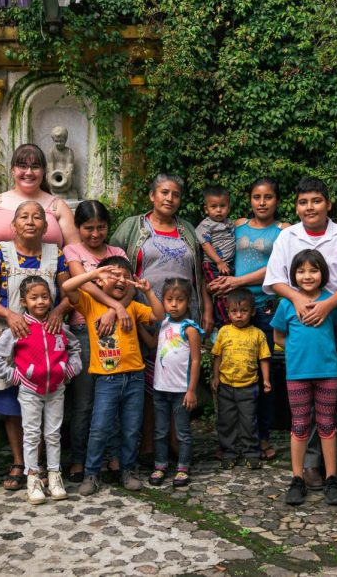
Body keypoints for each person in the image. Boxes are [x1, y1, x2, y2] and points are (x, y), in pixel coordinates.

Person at [263, 177, 337, 491]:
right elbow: (275, 278)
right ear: (297, 206)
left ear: (328, 203)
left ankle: (329, 466)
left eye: (316, 201)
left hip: (332, 320)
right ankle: (308, 467)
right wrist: (297, 299)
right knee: (301, 407)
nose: (310, 208)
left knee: (328, 401)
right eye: (303, 202)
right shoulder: (287, 236)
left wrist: (327, 305)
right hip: (299, 321)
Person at [111, 174, 212, 460]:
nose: (170, 198)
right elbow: (114, 264)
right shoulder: (133, 227)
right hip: (142, 314)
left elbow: (200, 273)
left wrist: (204, 307)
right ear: (152, 196)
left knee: (177, 376)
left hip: (181, 319)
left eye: (176, 194)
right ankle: (145, 443)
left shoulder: (188, 230)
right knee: (143, 382)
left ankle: (173, 440)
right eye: (164, 192)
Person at [0, 201, 70, 492]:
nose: (30, 221)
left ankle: (43, 465)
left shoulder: (57, 255)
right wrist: (10, 314)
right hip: (9, 336)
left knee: (44, 399)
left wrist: (58, 311)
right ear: (13, 225)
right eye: (24, 217)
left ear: (45, 226)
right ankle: (21, 462)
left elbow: (70, 295)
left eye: (37, 217)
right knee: (11, 403)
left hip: (45, 341)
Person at [62, 258, 164, 496]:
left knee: (130, 428)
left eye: (124, 276)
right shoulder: (89, 304)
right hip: (107, 380)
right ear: (99, 280)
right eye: (113, 275)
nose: (120, 280)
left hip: (135, 377)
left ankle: (127, 470)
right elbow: (68, 288)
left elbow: (158, 316)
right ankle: (92, 473)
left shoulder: (133, 307)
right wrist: (94, 273)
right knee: (99, 428)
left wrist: (148, 292)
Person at [208, 177, 288, 460]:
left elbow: (277, 268)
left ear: (276, 200)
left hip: (264, 309)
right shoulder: (237, 224)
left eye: (268, 197)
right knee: (230, 373)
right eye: (256, 197)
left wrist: (236, 280)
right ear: (250, 200)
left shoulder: (284, 231)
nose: (262, 202)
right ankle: (231, 440)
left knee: (262, 377)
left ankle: (261, 437)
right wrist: (219, 280)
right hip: (233, 308)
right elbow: (210, 243)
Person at [0, 275, 83, 504]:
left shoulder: (58, 325)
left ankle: (55, 475)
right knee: (31, 434)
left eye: (44, 296)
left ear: (51, 299)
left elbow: (75, 346)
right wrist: (16, 376)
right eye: (34, 298)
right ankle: (33, 479)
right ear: (23, 301)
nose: (40, 302)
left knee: (53, 434)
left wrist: (69, 370)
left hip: (56, 389)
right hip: (30, 390)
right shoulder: (19, 328)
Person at [273, 249, 337, 507]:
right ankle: (297, 478)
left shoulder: (331, 301)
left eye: (313, 270)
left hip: (328, 372)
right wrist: (298, 352)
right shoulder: (287, 304)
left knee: (328, 426)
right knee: (299, 426)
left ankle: (330, 478)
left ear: (323, 274)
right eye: (301, 270)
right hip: (297, 375)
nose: (307, 276)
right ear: (293, 275)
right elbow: (278, 337)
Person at [63, 201, 129, 482]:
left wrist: (116, 311)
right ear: (78, 229)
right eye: (88, 228)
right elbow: (83, 284)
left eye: (101, 227)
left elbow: (131, 288)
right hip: (83, 332)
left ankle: (113, 457)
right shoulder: (72, 251)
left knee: (113, 400)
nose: (95, 233)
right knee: (84, 401)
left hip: (115, 335)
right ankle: (79, 458)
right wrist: (115, 307)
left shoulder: (118, 253)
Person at [149, 278, 204, 488]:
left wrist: (192, 390)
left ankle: (183, 467)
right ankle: (160, 465)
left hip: (181, 390)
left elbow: (196, 360)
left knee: (182, 432)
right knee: (160, 430)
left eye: (179, 300)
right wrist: (137, 329)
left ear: (188, 301)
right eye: (169, 299)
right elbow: (153, 343)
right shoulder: (163, 323)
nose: (174, 304)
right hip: (160, 388)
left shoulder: (190, 329)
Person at [0, 143, 79, 250]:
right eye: (22, 166)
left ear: (44, 172)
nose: (29, 172)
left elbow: (75, 251)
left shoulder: (58, 206)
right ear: (12, 170)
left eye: (35, 167)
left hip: (48, 266)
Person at [211, 289, 272, 470]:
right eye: (234, 312)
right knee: (226, 420)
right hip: (226, 385)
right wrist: (215, 377)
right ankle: (228, 452)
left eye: (243, 311)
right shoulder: (223, 332)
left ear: (252, 312)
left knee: (248, 420)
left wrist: (266, 380)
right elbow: (217, 356)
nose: (239, 316)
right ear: (228, 312)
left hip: (249, 386)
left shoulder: (257, 334)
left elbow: (264, 358)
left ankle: (251, 452)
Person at [197, 185, 236, 326]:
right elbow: (205, 244)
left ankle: (229, 318)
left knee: (230, 292)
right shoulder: (206, 225)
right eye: (214, 206)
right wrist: (219, 262)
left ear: (228, 207)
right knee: (221, 292)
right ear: (206, 209)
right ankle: (224, 322)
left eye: (222, 206)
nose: (219, 210)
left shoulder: (230, 223)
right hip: (214, 264)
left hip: (228, 264)